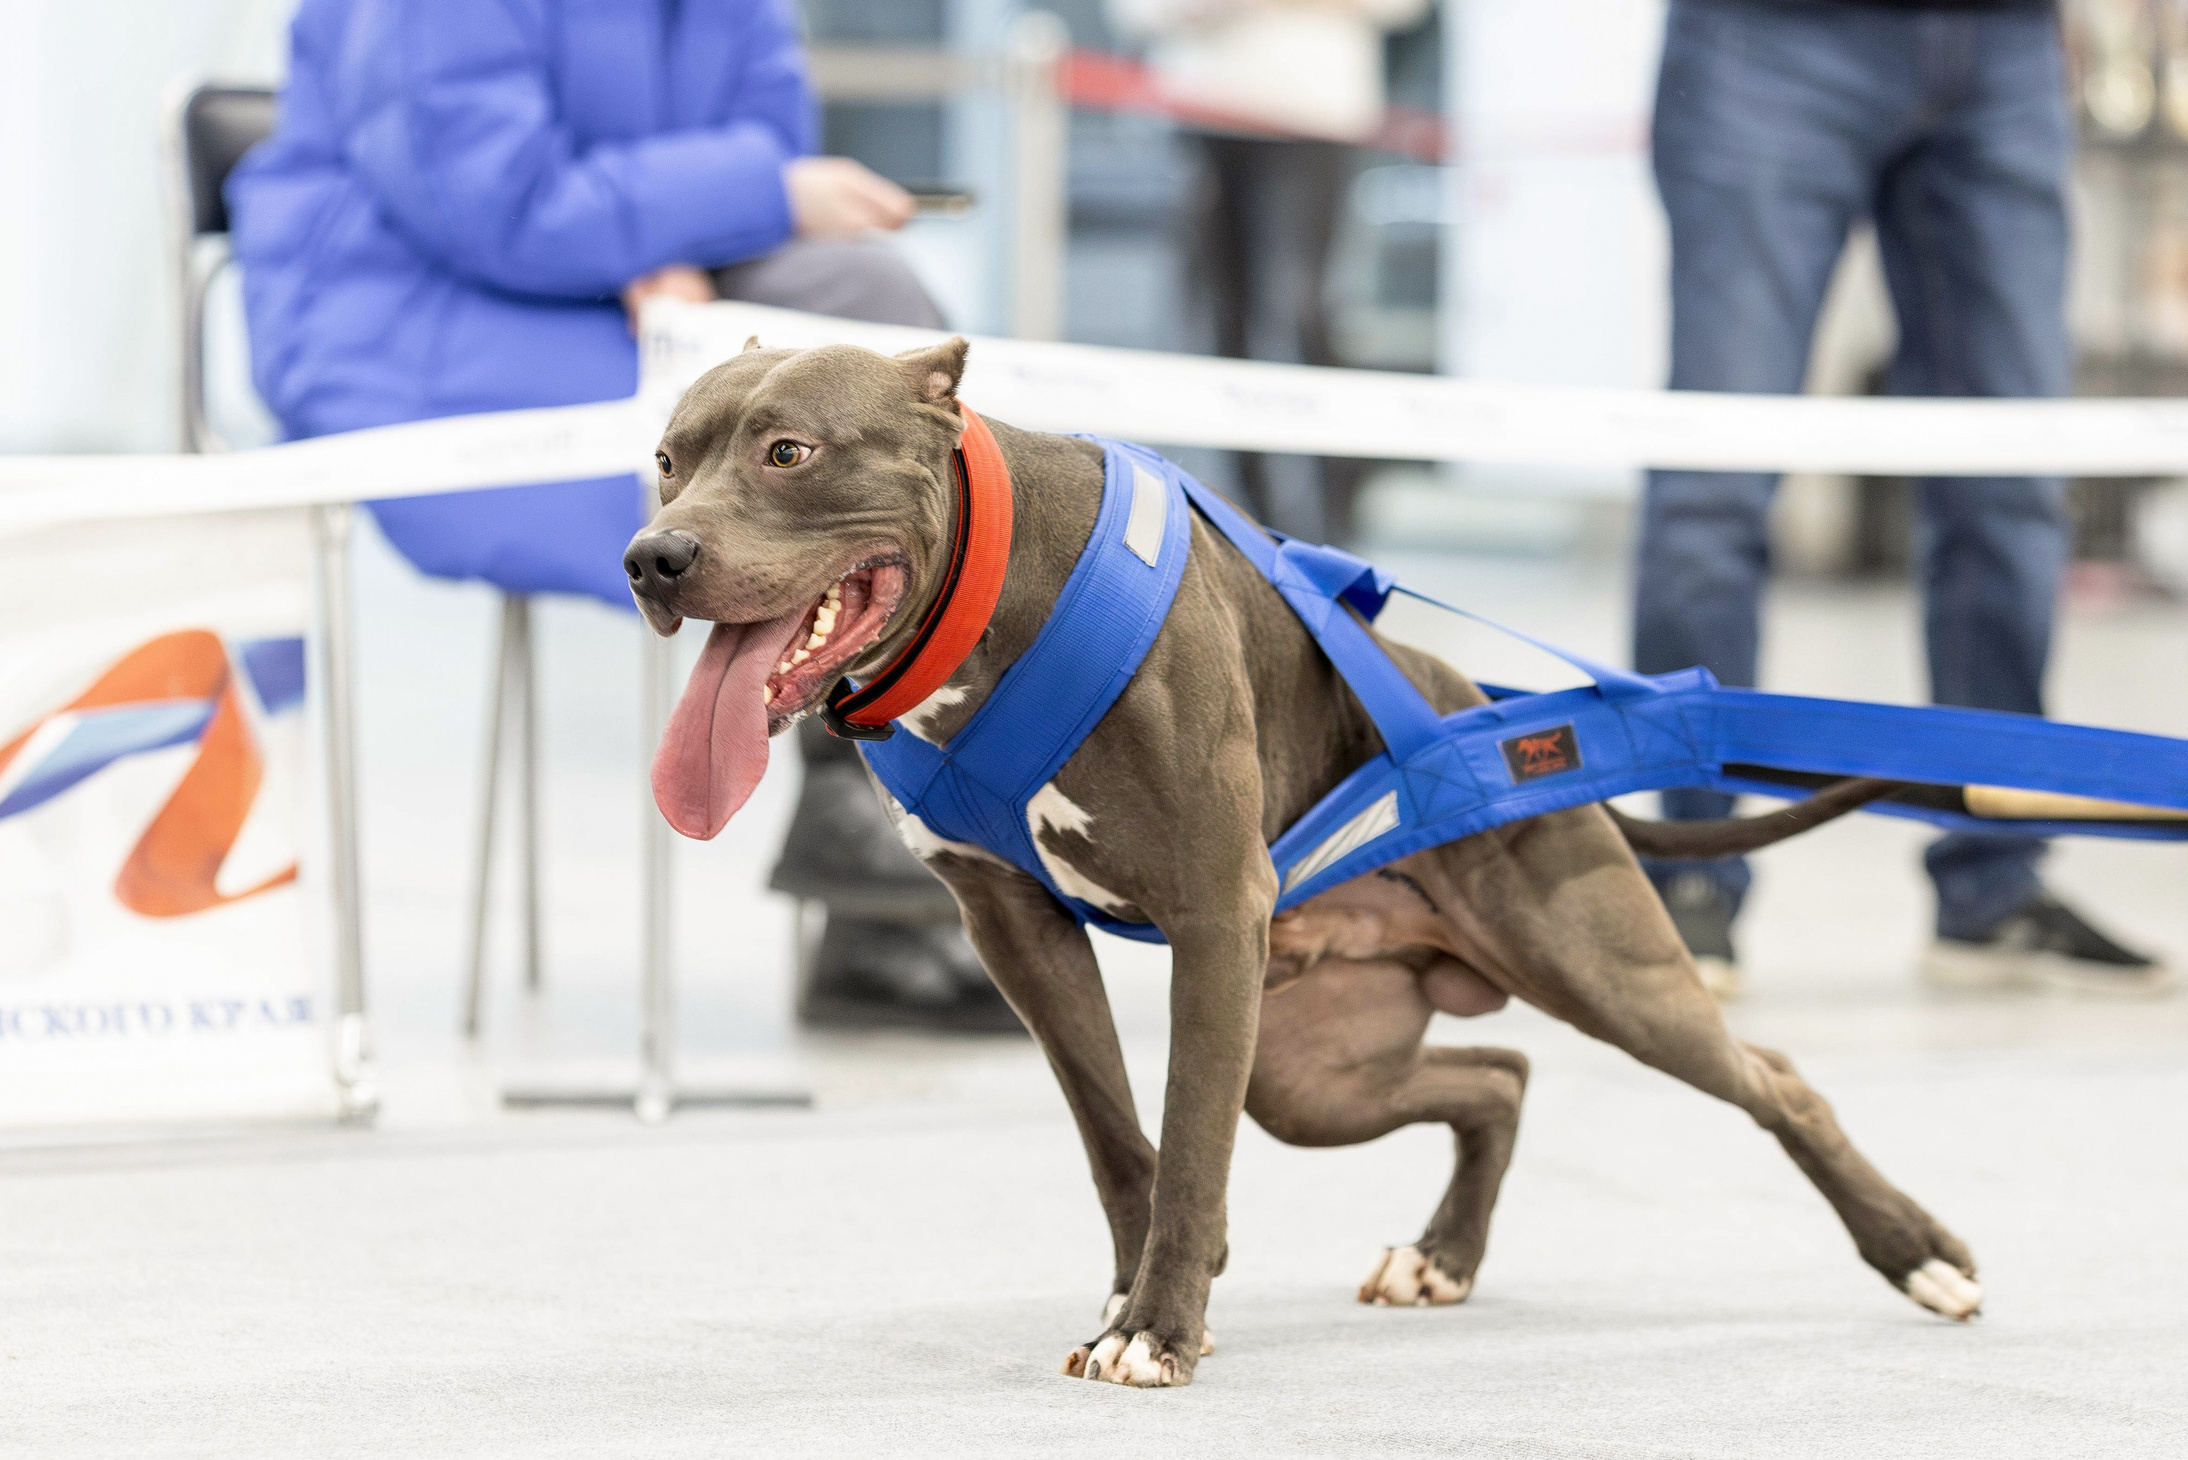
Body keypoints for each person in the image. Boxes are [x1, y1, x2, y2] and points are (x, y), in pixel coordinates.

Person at [229, 0, 1020, 1032]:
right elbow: (488, 198)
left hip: (629, 282)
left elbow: (770, 126)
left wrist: (661, 226)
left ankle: (870, 806)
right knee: (774, 444)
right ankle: (877, 841)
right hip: (423, 318)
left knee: (863, 313)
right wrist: (703, 210)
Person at [1636, 0, 2171, 998]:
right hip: (1771, 35)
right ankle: (1687, 876)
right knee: (1714, 482)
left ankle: (1993, 884)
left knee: (2012, 489)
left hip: (2005, 42)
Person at [1107, 0, 1428, 540]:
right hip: (1202, 111)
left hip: (1312, 117)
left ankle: (1331, 517)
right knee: (1215, 323)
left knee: (1300, 312)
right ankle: (1240, 521)